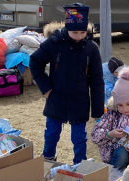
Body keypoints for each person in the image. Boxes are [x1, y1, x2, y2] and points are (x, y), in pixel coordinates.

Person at [29, 3, 104, 164]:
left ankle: (79, 163)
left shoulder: (91, 48)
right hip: (56, 97)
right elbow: (35, 62)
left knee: (79, 137)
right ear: (67, 28)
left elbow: (97, 79)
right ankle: (48, 159)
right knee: (51, 133)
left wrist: (98, 109)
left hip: (80, 100)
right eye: (74, 32)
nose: (78, 36)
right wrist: (46, 89)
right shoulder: (54, 43)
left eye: (82, 32)